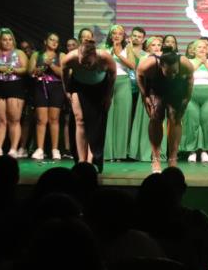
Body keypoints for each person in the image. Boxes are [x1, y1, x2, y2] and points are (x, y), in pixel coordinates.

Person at [136, 46, 195, 173]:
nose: (172, 75)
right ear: (161, 65)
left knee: (175, 119)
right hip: (156, 87)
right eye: (169, 72)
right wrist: (145, 95)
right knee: (155, 118)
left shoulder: (184, 63)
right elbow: (139, 74)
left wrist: (187, 98)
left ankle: (173, 159)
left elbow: (190, 79)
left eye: (175, 72)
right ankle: (156, 159)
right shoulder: (150, 63)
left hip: (176, 87)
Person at [61, 39, 117, 171]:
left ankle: (91, 160)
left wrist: (108, 95)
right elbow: (64, 74)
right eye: (82, 62)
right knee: (80, 120)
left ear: (95, 56)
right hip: (78, 86)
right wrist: (67, 90)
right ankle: (81, 160)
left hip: (99, 87)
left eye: (88, 63)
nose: (85, 66)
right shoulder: (70, 58)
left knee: (94, 124)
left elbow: (113, 75)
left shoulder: (105, 58)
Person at [0, 28, 28, 157]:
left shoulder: (19, 53)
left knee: (14, 119)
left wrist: (13, 69)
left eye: (10, 39)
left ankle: (13, 149)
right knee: (0, 120)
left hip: (15, 86)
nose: (7, 42)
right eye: (4, 39)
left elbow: (25, 69)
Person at [128, 36, 168, 162]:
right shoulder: (144, 58)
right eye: (153, 45)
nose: (157, 47)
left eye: (159, 45)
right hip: (147, 94)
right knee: (148, 123)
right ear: (148, 47)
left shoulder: (164, 59)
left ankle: (158, 153)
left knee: (159, 124)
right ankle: (145, 152)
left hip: (161, 95)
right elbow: (140, 77)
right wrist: (145, 95)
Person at [27, 33, 64, 160]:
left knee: (54, 119)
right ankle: (40, 149)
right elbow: (30, 71)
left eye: (56, 41)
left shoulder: (61, 55)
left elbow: (64, 73)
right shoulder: (36, 55)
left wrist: (51, 65)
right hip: (40, 86)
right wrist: (38, 70)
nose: (54, 42)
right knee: (41, 119)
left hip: (56, 87)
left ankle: (55, 149)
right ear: (45, 41)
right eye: (51, 39)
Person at [182, 39, 208, 163]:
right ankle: (192, 151)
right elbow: (187, 73)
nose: (202, 49)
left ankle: (205, 151)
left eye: (204, 47)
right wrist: (199, 62)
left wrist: (205, 62)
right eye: (199, 47)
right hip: (191, 93)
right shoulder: (188, 61)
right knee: (192, 122)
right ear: (193, 50)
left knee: (207, 122)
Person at [102, 25, 136, 162]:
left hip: (123, 82)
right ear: (110, 35)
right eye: (114, 33)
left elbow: (132, 66)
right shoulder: (104, 48)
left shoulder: (128, 49)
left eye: (120, 33)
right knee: (108, 117)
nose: (117, 36)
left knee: (122, 118)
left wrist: (118, 54)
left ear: (123, 36)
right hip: (108, 83)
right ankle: (107, 153)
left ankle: (119, 153)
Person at [61, 37, 80, 158]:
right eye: (69, 45)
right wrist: (66, 93)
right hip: (68, 93)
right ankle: (68, 149)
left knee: (79, 121)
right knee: (68, 120)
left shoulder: (80, 59)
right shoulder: (66, 59)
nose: (71, 47)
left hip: (78, 93)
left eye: (73, 44)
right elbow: (63, 78)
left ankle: (79, 147)